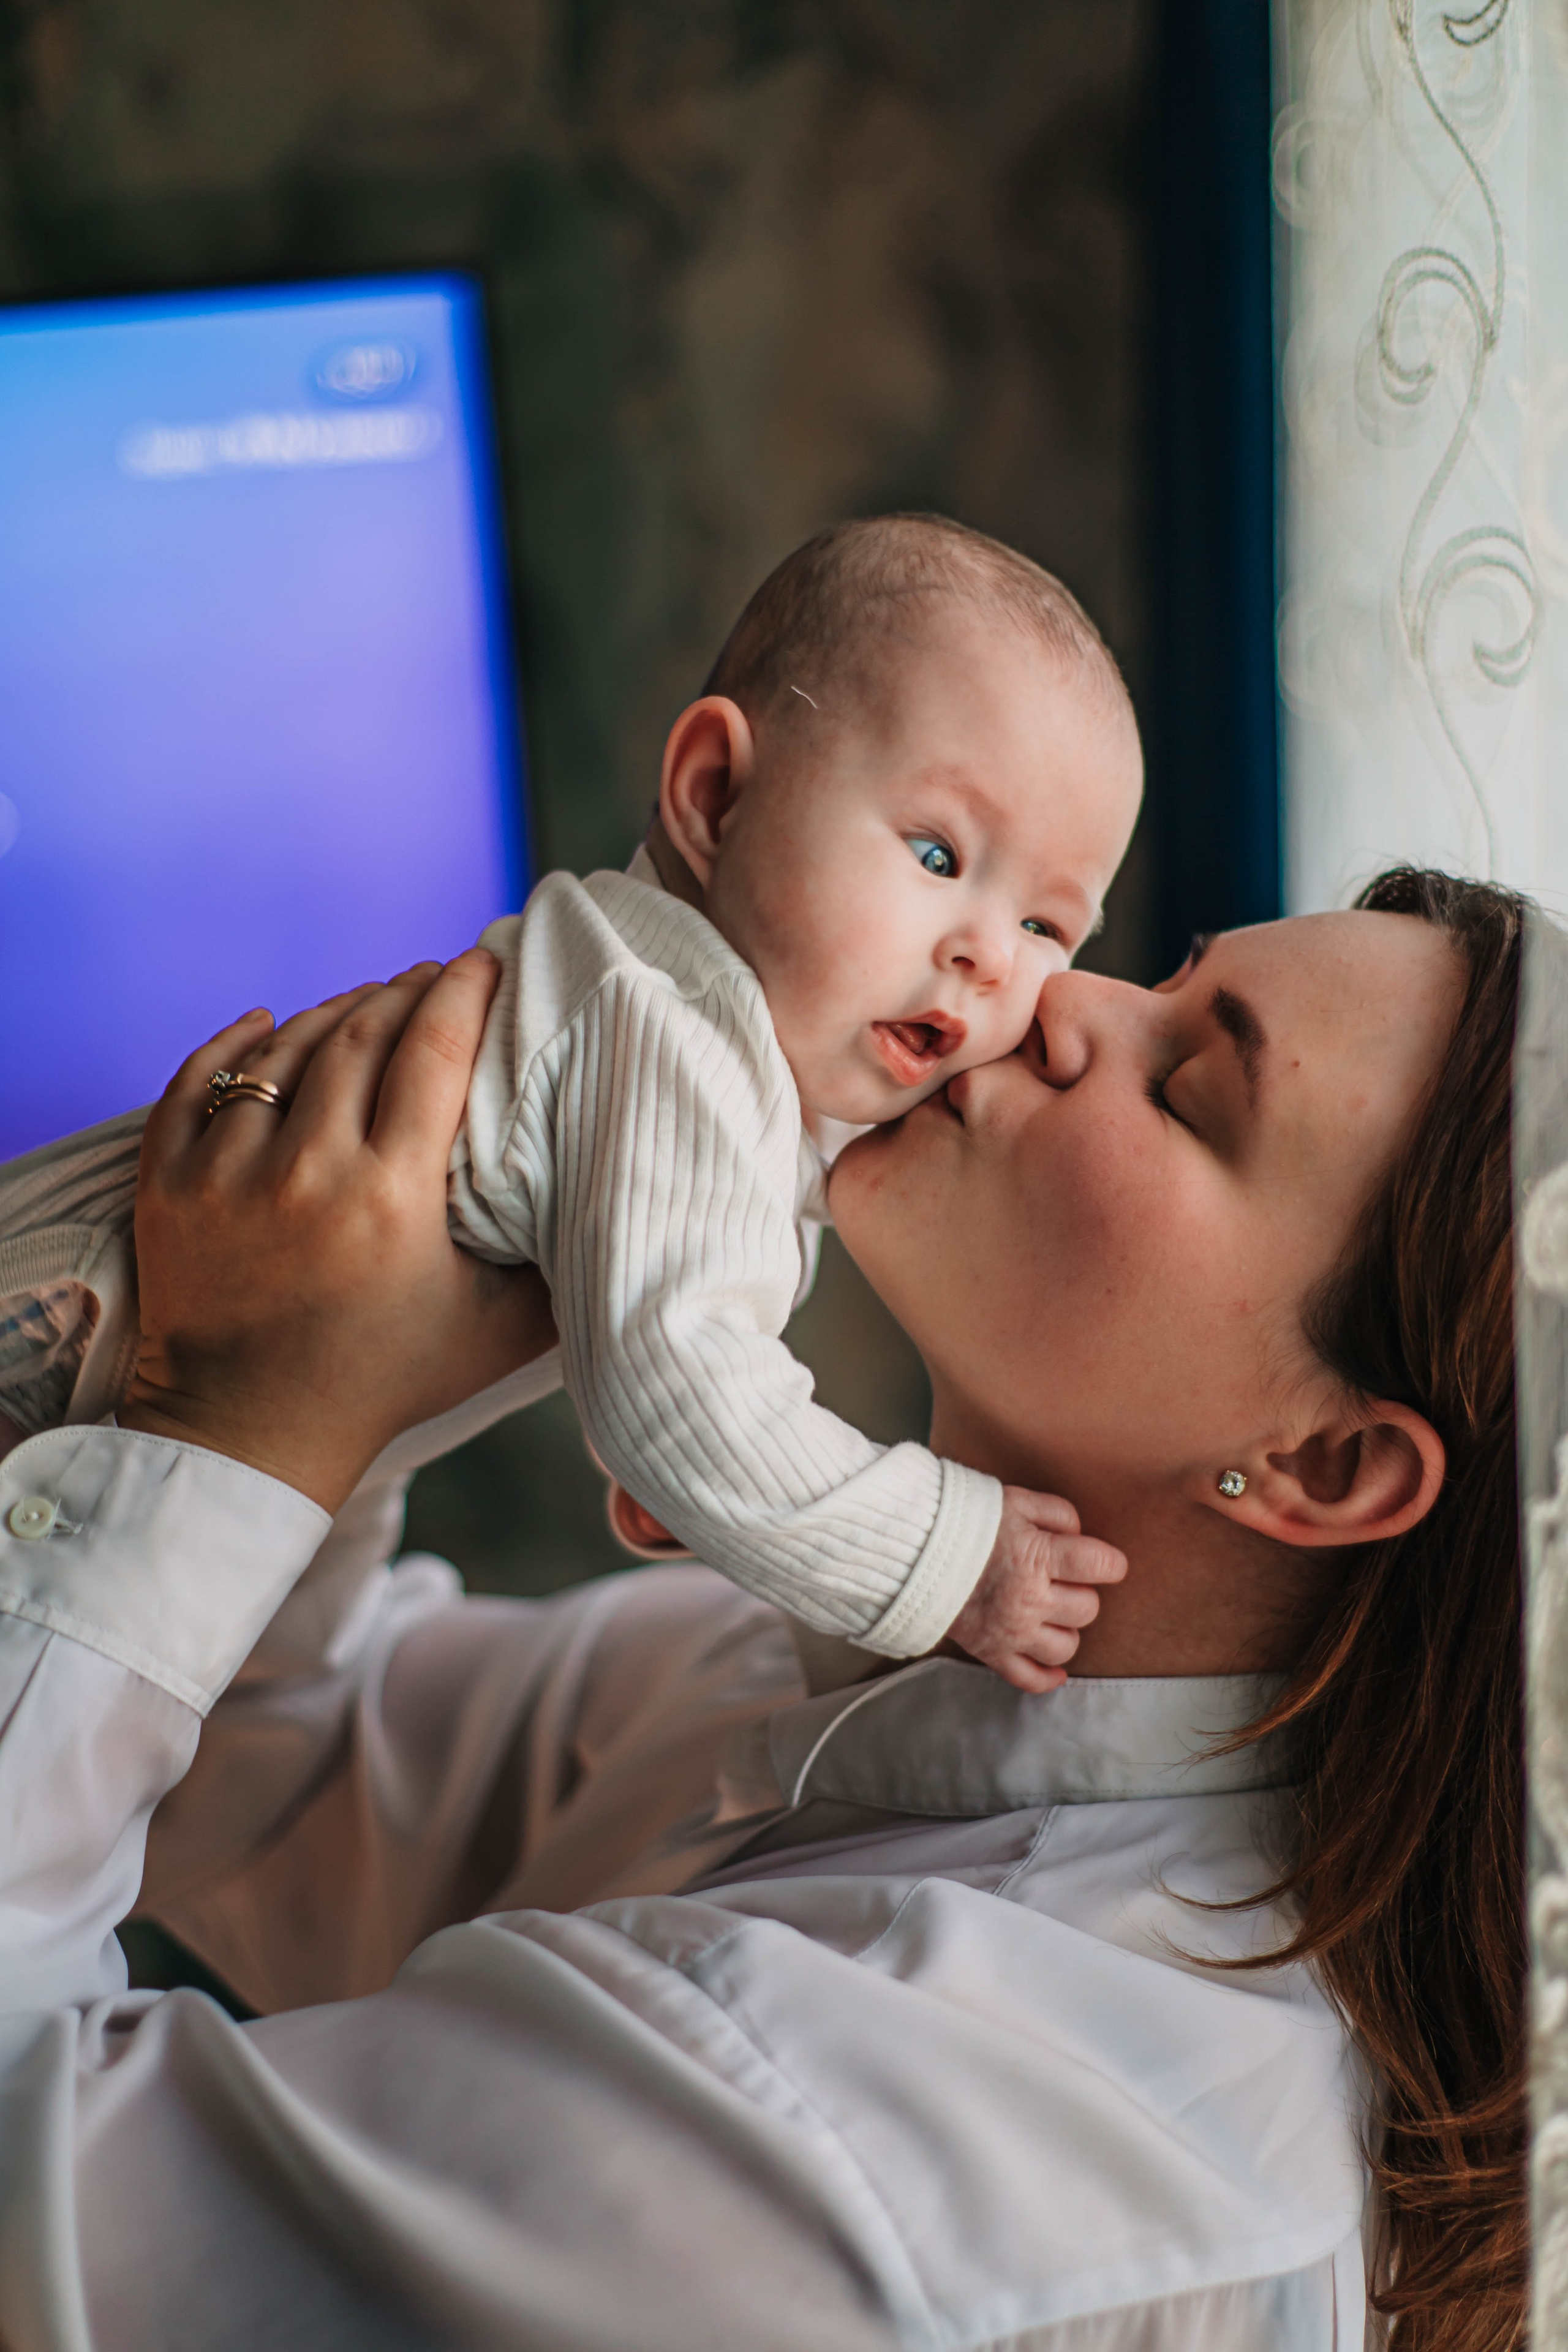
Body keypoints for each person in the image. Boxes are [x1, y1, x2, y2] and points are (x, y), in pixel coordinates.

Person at [0, 870, 1525, 2350]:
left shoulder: (881, 2142)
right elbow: (284, 1770)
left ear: (1322, 1466)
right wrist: (433, 1273)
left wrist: (234, 1433)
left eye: (1187, 1087)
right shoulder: (847, 1683)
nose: (1061, 999)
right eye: (1171, 972)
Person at [0, 514, 1142, 1693]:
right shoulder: (671, 1029)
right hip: (52, 1338)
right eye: (939, 855)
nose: (989, 957)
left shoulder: (710, 1051)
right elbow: (679, 1392)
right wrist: (946, 1561)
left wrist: (697, 1460)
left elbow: (663, 1363)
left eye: (1046, 923)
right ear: (716, 795)